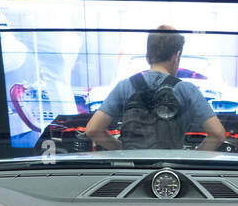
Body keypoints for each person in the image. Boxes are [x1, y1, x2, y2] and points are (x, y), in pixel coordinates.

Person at [86, 27, 227, 151]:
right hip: (171, 169)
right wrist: (194, 158)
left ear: (148, 57)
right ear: (177, 56)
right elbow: (218, 134)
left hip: (132, 170)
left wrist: (122, 150)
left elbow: (93, 130)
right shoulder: (187, 89)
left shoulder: (124, 86)